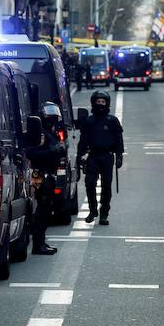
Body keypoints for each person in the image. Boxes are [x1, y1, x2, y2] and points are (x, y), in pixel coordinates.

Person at [76, 90, 124, 225]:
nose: (100, 104)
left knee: (106, 186)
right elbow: (83, 140)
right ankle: (92, 210)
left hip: (107, 156)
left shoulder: (112, 121)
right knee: (89, 183)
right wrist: (79, 155)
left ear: (107, 103)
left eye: (103, 101)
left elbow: (119, 139)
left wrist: (119, 155)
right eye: (98, 101)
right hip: (93, 156)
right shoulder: (89, 121)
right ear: (93, 103)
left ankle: (104, 214)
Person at [27, 102, 65, 255]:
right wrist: (52, 151)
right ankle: (38, 245)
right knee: (42, 209)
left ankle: (41, 242)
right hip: (41, 174)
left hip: (49, 173)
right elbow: (31, 153)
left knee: (47, 208)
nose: (52, 117)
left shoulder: (52, 132)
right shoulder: (41, 134)